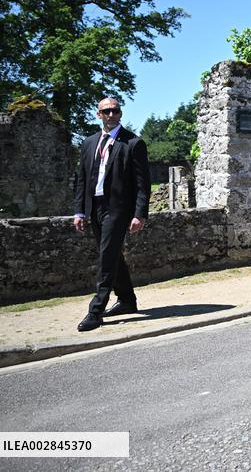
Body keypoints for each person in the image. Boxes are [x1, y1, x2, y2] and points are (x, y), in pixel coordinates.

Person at [73, 98, 151, 332]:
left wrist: (140, 213)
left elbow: (142, 183)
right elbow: (81, 179)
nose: (111, 114)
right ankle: (127, 300)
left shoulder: (133, 143)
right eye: (106, 111)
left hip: (118, 209)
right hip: (94, 207)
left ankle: (95, 311)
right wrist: (79, 211)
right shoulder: (88, 143)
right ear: (99, 115)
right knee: (112, 254)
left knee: (106, 257)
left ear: (120, 113)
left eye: (115, 110)